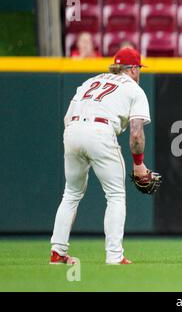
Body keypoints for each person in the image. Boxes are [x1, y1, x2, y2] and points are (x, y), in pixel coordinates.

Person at [50, 47, 152, 265]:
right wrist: (139, 164)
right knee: (115, 195)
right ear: (133, 69)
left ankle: (57, 252)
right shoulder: (134, 89)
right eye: (139, 69)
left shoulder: (89, 82)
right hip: (101, 131)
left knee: (71, 194)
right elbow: (136, 132)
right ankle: (114, 256)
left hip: (73, 130)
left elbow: (67, 119)